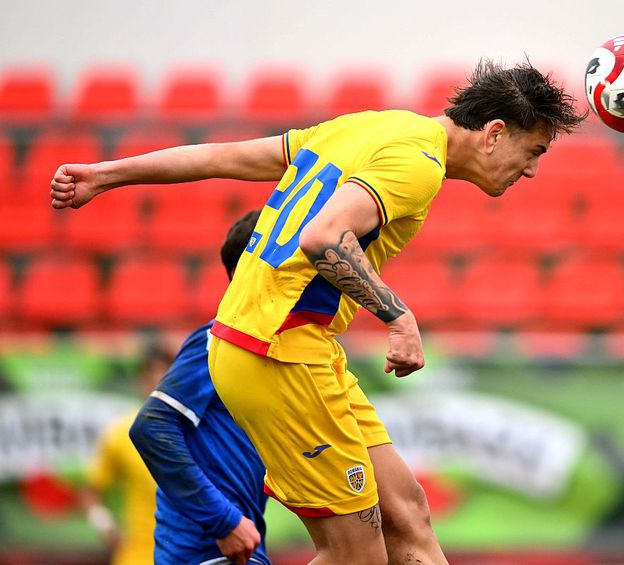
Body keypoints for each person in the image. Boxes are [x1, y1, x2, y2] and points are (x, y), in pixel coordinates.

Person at [51, 59, 585, 565]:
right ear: (493, 133)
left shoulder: (373, 128)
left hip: (300, 348)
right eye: (534, 150)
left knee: (408, 515)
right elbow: (323, 237)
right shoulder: (417, 163)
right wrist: (399, 317)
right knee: (356, 553)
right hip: (276, 350)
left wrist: (108, 174)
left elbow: (221, 158)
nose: (533, 170)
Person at [128, 210, 269, 565]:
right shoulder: (221, 340)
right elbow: (150, 426)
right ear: (245, 272)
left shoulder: (273, 348)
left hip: (240, 546)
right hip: (206, 550)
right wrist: (224, 521)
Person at [80, 346, 172, 565]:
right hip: (139, 553)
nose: (156, 380)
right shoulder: (121, 432)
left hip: (190, 551)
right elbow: (90, 492)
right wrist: (107, 528)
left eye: (164, 373)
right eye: (150, 374)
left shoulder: (196, 431)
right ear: (141, 380)